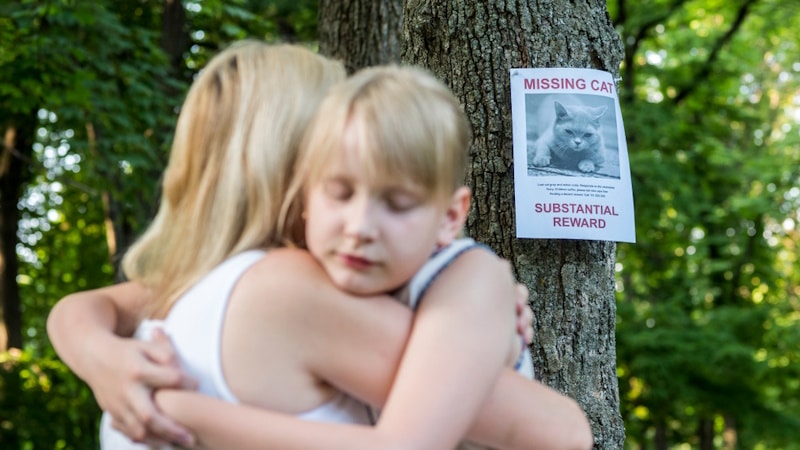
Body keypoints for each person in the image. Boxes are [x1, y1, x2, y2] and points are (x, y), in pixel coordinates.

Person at [47, 41, 593, 450]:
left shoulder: (180, 303)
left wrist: (97, 352)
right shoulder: (285, 290)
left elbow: (96, 305)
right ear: (298, 168)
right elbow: (559, 428)